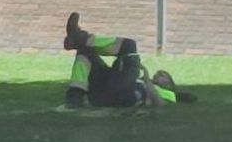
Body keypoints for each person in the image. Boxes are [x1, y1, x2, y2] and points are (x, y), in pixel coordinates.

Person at [62, 12, 195, 108]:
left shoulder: (169, 94)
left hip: (122, 94)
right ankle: (75, 96)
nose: (158, 74)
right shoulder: (138, 79)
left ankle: (80, 39)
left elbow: (160, 103)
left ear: (169, 85)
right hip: (106, 89)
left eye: (163, 75)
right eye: (159, 73)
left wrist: (147, 78)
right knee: (86, 52)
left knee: (129, 45)